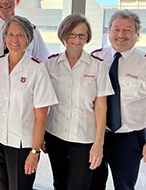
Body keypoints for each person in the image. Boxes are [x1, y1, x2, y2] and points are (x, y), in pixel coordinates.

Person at [0, 15, 57, 190]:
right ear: (5, 37)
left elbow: (41, 116)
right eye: (11, 34)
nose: (15, 39)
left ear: (29, 39)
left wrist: (34, 153)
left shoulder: (37, 70)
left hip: (22, 146)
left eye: (20, 35)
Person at [44, 14, 113, 190]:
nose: (76, 39)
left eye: (81, 35)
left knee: (79, 186)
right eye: (72, 34)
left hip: (84, 139)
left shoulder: (98, 66)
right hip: (55, 135)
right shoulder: (50, 64)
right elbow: (41, 102)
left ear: (88, 37)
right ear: (63, 34)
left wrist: (99, 143)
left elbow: (101, 106)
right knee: (59, 184)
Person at [90, 10, 146, 190]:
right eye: (116, 29)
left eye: (128, 30)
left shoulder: (144, 63)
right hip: (94, 134)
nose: (121, 35)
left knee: (124, 186)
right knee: (93, 183)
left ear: (138, 34)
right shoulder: (95, 58)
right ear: (109, 32)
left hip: (129, 139)